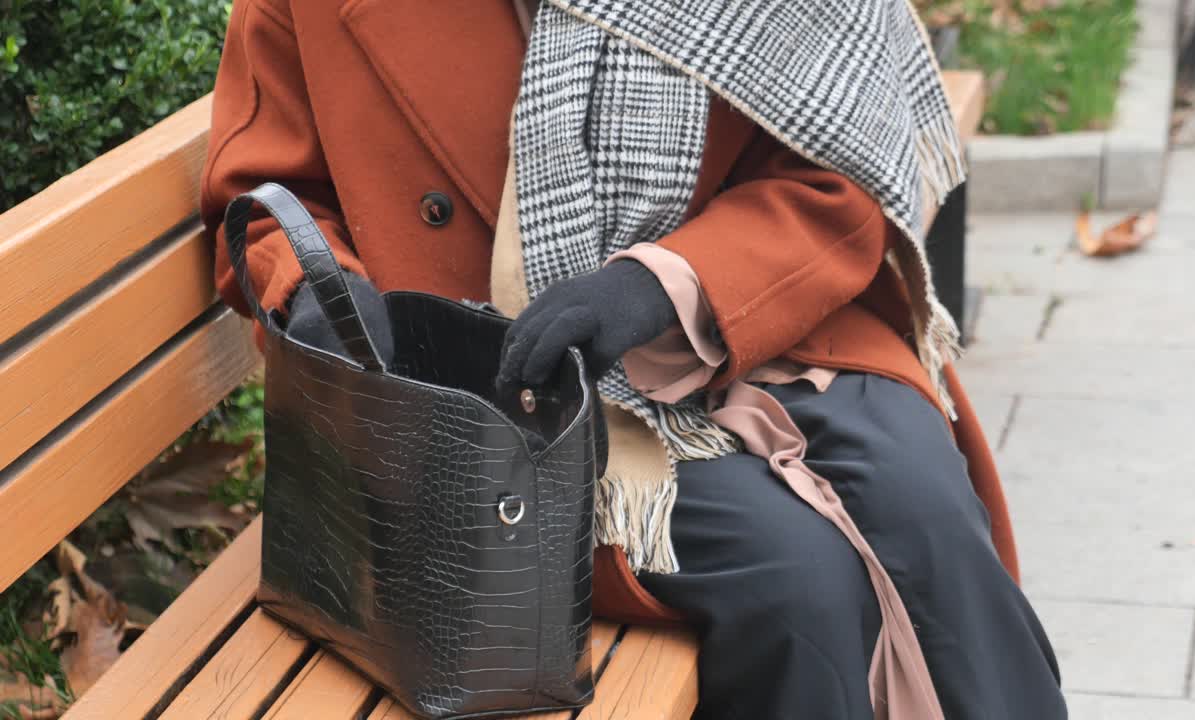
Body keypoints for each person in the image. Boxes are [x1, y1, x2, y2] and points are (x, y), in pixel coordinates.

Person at [202, 1, 1068, 718]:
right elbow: (268, 195)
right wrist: (319, 297)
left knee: (930, 516)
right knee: (797, 582)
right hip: (501, 413)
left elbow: (842, 176)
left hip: (765, 315)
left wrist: (663, 287)